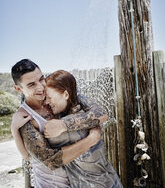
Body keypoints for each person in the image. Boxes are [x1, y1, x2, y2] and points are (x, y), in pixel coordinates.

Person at [11, 59, 108, 187]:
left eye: (41, 79)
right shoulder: (24, 118)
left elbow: (101, 113)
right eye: (31, 85)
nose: (40, 87)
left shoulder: (56, 93)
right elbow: (51, 161)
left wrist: (63, 125)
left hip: (80, 182)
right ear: (18, 88)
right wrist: (92, 139)